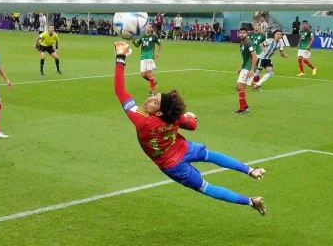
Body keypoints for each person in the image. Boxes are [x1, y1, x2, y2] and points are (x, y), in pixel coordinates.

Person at [113, 41, 266, 215]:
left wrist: (120, 57)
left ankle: (250, 201)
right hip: (184, 148)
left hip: (173, 165)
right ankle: (250, 171)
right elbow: (192, 125)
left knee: (206, 187)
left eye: (155, 102)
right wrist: (191, 117)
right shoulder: (174, 117)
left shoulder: (143, 120)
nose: (149, 100)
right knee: (212, 156)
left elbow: (120, 90)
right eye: (154, 97)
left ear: (161, 113)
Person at [132, 24, 162, 96]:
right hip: (143, 57)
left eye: (150, 27)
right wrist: (134, 43)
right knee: (143, 75)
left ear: (152, 29)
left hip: (150, 56)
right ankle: (153, 81)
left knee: (149, 74)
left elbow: (160, 44)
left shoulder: (154, 36)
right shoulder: (142, 36)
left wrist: (158, 53)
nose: (149, 28)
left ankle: (152, 91)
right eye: (148, 27)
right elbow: (137, 45)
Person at [235, 28, 257, 114]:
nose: (241, 34)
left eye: (243, 33)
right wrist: (241, 66)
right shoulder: (242, 42)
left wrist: (251, 69)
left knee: (240, 87)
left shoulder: (248, 42)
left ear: (247, 34)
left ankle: (242, 109)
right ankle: (245, 107)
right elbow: (246, 57)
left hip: (248, 68)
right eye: (240, 33)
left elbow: (254, 56)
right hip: (245, 67)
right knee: (239, 87)